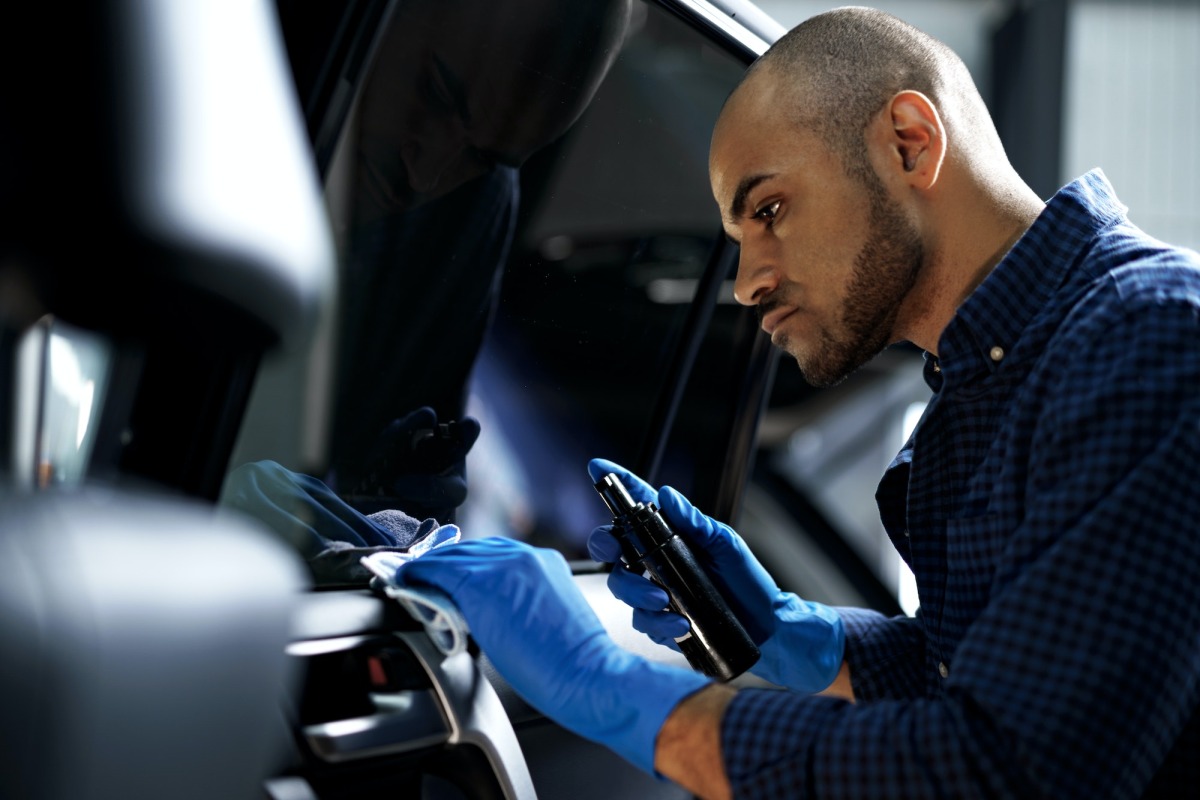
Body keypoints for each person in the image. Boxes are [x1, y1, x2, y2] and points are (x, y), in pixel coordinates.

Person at [384, 7, 1200, 798]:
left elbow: (1006, 771)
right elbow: (1001, 668)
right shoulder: (994, 379)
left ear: (910, 143)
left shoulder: (1153, 335)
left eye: (769, 210)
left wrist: (605, 685)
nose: (746, 284)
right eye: (739, 242)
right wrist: (797, 635)